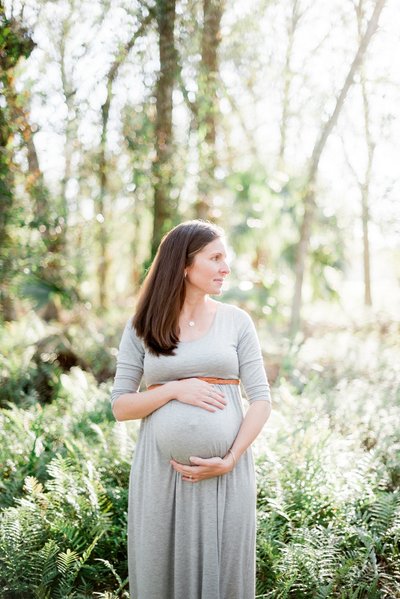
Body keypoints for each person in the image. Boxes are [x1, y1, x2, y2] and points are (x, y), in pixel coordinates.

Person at [111, 219, 272, 599]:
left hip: (226, 476)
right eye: (215, 258)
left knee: (225, 576)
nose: (225, 268)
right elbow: (121, 406)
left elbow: (262, 400)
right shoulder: (142, 326)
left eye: (225, 258)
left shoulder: (237, 322)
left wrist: (230, 458)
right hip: (160, 476)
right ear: (184, 264)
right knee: (160, 577)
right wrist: (174, 390)